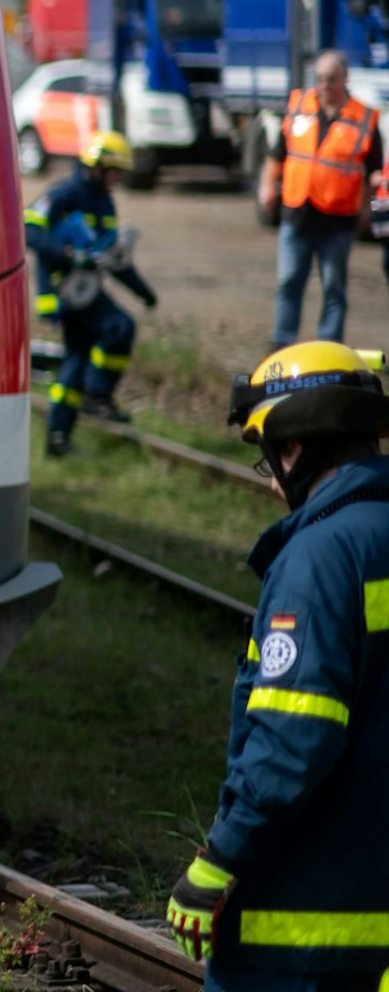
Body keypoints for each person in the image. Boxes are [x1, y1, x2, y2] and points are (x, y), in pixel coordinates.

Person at [167, 341, 389, 990]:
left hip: (299, 932)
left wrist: (221, 857)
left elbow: (295, 737)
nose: (270, 480)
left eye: (269, 458)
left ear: (297, 444)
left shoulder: (318, 557)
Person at [25, 129, 158, 456]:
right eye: (114, 172)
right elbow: (30, 230)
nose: (117, 179)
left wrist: (143, 291)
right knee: (119, 327)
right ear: (97, 167)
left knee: (75, 361)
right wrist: (67, 253)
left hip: (85, 290)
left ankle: (58, 439)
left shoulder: (104, 202)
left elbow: (111, 255)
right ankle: (97, 394)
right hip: (65, 290)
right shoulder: (65, 194)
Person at [258, 50, 382, 348]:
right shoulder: (300, 106)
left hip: (338, 220)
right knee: (289, 282)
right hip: (297, 212)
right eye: (320, 79)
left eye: (331, 80)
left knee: (333, 287)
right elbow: (277, 155)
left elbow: (372, 171)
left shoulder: (364, 118)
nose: (324, 86)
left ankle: (330, 345)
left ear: (345, 79)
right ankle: (282, 344)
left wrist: (367, 207)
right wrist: (266, 187)